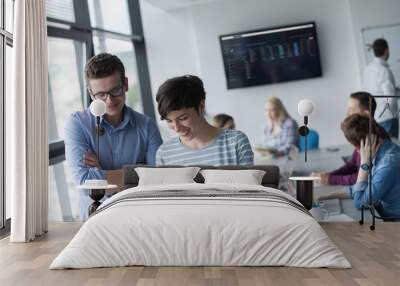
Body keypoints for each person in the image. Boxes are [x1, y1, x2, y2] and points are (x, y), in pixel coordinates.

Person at [64, 53, 163, 220]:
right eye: (101, 94)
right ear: (90, 93)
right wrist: (139, 171)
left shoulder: (147, 126)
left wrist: (100, 172)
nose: (109, 101)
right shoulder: (77, 124)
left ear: (125, 84)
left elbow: (157, 179)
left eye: (115, 90)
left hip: (138, 218)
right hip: (93, 220)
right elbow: (85, 182)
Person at [155, 75, 254, 166]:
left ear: (201, 106)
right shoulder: (164, 154)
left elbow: (247, 185)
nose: (177, 128)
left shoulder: (236, 142)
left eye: (183, 118)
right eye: (169, 121)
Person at [316, 114, 400, 218]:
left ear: (360, 146)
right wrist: (323, 197)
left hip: (393, 223)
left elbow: (360, 202)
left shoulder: (387, 164)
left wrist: (364, 163)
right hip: (381, 213)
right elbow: (357, 189)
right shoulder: (383, 150)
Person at [312, 92, 389, 186]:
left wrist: (330, 179)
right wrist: (328, 175)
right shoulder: (363, 134)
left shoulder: (376, 139)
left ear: (366, 114)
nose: (347, 113)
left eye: (351, 110)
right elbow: (352, 165)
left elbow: (364, 177)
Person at [363, 38, 398, 138]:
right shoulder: (384, 70)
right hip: (388, 117)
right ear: (387, 50)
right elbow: (390, 97)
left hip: (375, 118)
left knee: (381, 149)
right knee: (391, 150)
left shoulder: (367, 69)